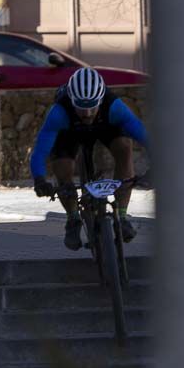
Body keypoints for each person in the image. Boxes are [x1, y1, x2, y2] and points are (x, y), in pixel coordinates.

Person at [30, 67, 150, 250]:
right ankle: (73, 219)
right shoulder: (59, 112)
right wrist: (39, 179)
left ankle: (123, 216)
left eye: (92, 106)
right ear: (72, 101)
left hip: (106, 126)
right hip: (68, 131)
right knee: (63, 167)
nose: (87, 114)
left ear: (101, 100)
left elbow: (147, 138)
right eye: (81, 107)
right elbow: (40, 151)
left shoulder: (114, 106)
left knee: (124, 147)